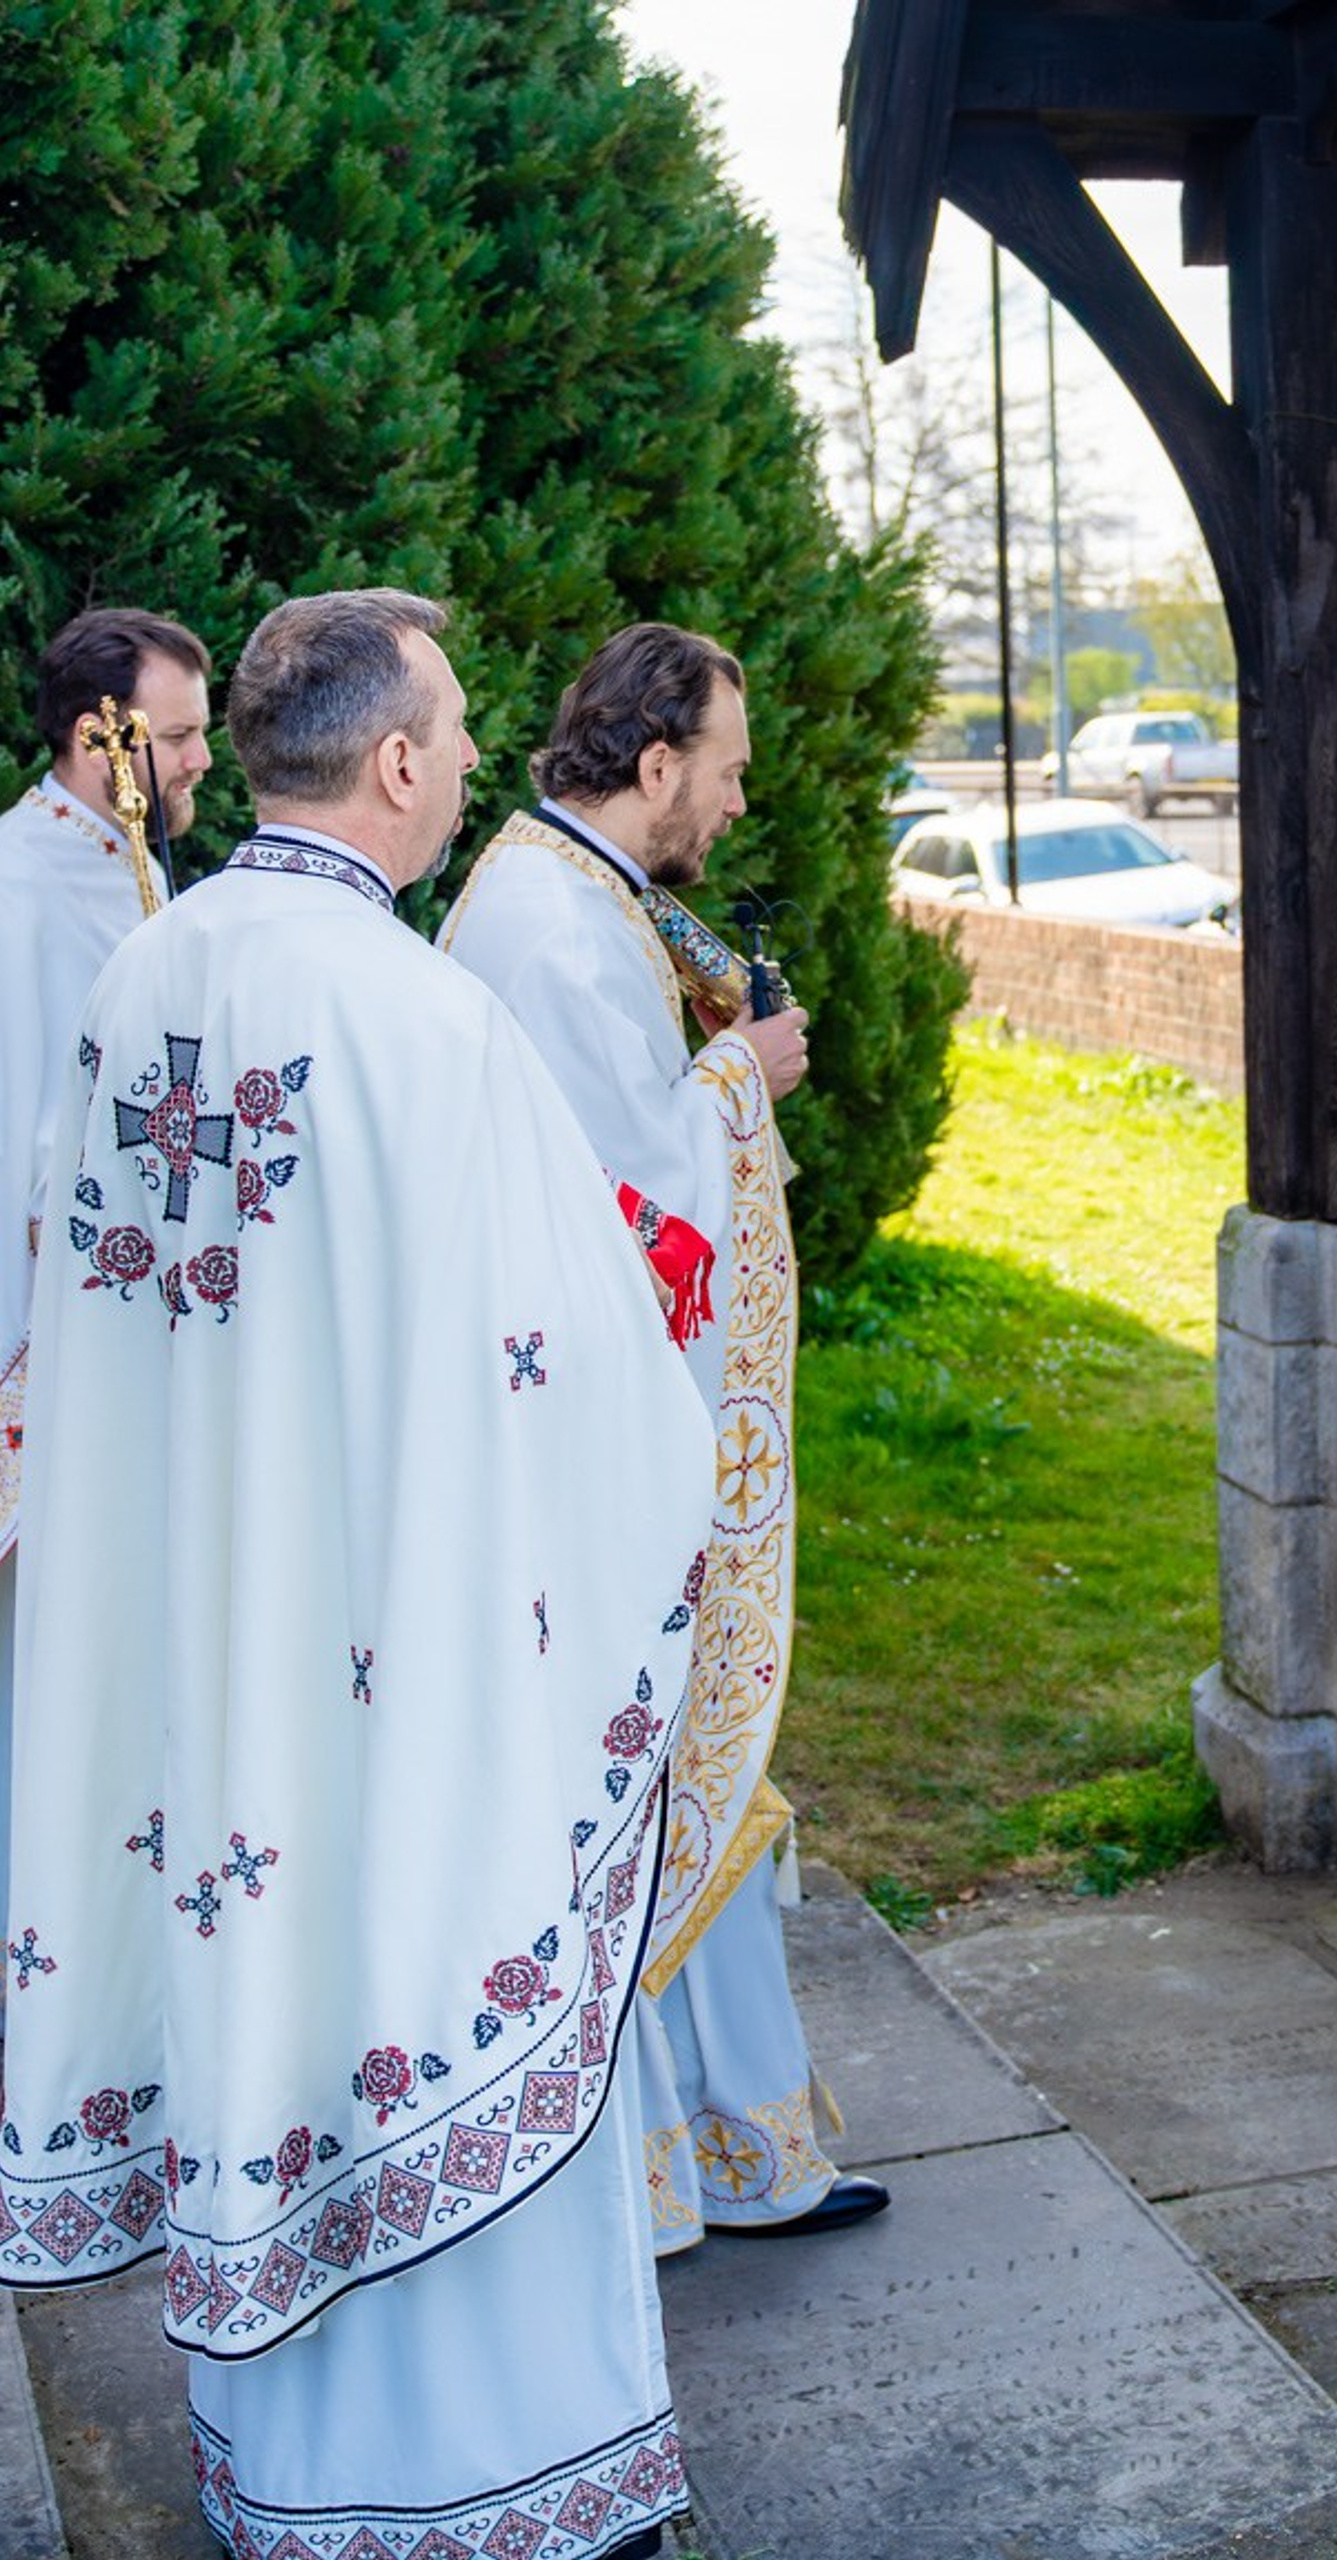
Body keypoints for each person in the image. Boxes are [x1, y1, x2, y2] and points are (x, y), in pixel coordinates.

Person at [0, 590, 711, 2560]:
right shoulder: (419, 1018)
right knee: (418, 1946)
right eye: (459, 728)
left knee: (262, 1992)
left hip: (216, 1650)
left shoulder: (151, 974)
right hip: (400, 1656)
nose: (474, 754)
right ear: (393, 761)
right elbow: (571, 1371)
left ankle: (286, 2485)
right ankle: (493, 2487)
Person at [441, 622, 887, 2245]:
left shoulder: (584, 893)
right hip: (602, 1449)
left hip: (619, 1432)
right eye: (731, 768)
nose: (743, 801)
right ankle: (673, 2169)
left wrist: (714, 1068)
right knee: (663, 1785)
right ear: (653, 766)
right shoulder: (554, 930)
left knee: (708, 1783)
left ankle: (741, 2148)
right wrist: (744, 1078)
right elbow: (622, 1204)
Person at [0, 608, 217, 1957]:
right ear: (104, 738)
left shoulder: (122, 870)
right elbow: (45, 1161)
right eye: (183, 736)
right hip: (52, 1368)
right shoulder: (30, 888)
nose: (203, 762)